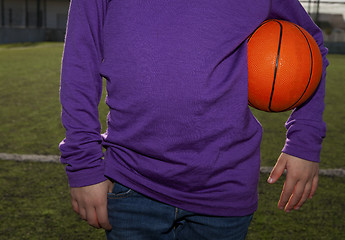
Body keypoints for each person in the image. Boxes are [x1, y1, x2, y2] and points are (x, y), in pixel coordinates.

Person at [59, 0, 329, 239]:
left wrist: (304, 139)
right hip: (133, 179)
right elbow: (81, 62)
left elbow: (311, 43)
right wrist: (84, 166)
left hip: (224, 186)